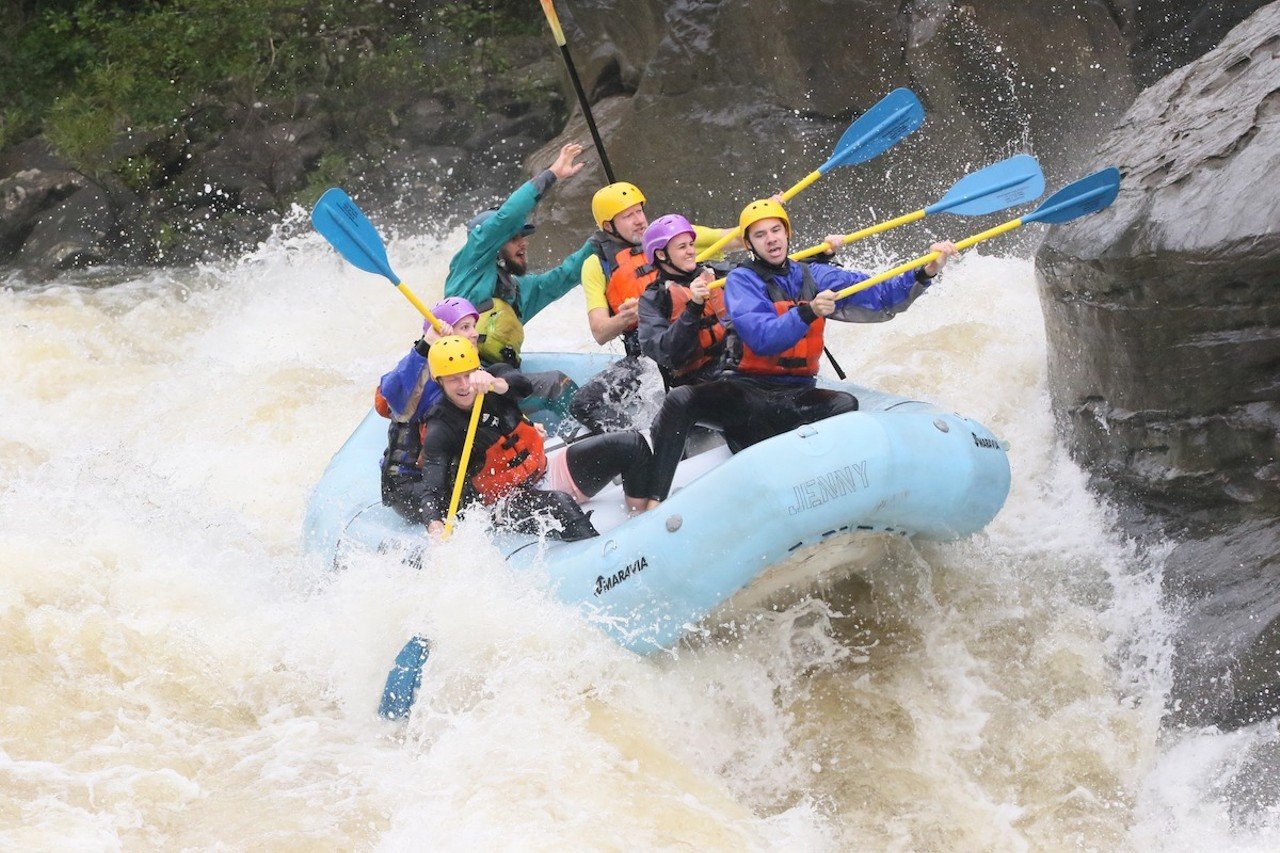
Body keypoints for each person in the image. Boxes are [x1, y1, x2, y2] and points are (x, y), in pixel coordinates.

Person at [642, 198, 959, 505]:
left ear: (787, 234)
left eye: (776, 231)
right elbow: (763, 337)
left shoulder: (814, 276)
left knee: (844, 403)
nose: (771, 240)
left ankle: (838, 495)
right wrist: (809, 312)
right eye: (760, 235)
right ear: (749, 245)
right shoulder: (742, 280)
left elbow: (880, 295)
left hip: (795, 396)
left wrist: (925, 272)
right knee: (681, 399)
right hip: (746, 396)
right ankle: (654, 501)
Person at [418, 336, 656, 540]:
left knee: (630, 444)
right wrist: (434, 523)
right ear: (439, 382)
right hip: (503, 503)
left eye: (467, 375)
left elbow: (522, 386)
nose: (464, 386)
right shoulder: (441, 426)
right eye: (453, 379)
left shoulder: (496, 377)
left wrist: (496, 384)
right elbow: (432, 485)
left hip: (544, 470)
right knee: (560, 504)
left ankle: (641, 519)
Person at [570, 182, 737, 431]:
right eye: (628, 216)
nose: (639, 220)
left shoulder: (671, 237)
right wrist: (623, 318)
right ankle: (638, 441)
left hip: (691, 342)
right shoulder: (596, 265)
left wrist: (763, 217)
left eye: (639, 211)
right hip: (645, 357)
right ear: (608, 226)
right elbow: (600, 331)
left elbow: (734, 238)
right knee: (584, 404)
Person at [443, 142, 591, 368]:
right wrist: (551, 175)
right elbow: (508, 217)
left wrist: (603, 241)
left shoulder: (519, 290)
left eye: (522, 237)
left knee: (560, 388)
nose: (523, 243)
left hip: (500, 377)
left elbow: (565, 276)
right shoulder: (469, 271)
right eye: (513, 238)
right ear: (492, 244)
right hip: (459, 375)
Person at [376, 297, 485, 522]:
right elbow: (391, 393)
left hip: (447, 476)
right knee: (473, 503)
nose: (474, 333)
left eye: (473, 326)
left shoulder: (469, 372)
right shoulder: (423, 380)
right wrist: (425, 345)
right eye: (465, 328)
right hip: (410, 485)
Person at [636, 213, 731, 388]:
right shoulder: (652, 300)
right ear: (662, 255)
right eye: (682, 247)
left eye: (691, 244)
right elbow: (669, 355)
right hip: (694, 386)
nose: (691, 251)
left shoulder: (713, 273)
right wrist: (693, 308)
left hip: (733, 368)